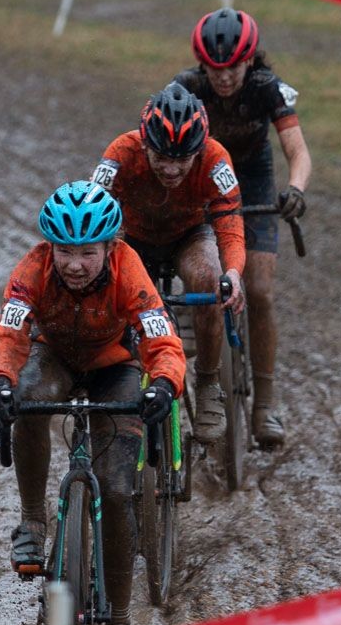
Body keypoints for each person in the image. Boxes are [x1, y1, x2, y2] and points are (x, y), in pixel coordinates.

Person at [0, 180, 186, 625]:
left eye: (87, 253)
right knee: (27, 399)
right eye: (65, 251)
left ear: (110, 247)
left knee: (115, 490)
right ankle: (34, 520)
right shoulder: (33, 268)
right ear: (50, 247)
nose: (74, 265)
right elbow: (8, 333)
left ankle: (117, 619)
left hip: (114, 367)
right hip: (53, 357)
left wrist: (162, 385)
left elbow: (162, 340)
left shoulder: (129, 271)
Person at [173, 8, 312, 449]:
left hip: (251, 176)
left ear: (249, 60)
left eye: (232, 66)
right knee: (195, 253)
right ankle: (195, 315)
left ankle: (264, 405)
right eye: (215, 68)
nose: (224, 77)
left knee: (260, 290)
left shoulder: (267, 89)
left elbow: (298, 151)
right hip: (202, 175)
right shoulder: (187, 88)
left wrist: (294, 189)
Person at [90, 81, 245, 446]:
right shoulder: (121, 151)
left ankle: (207, 382)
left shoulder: (215, 158)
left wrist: (234, 273)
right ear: (145, 143)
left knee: (209, 277)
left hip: (188, 235)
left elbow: (231, 225)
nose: (172, 169)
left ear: (199, 150)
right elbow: (94, 209)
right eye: (162, 158)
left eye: (182, 159)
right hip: (132, 235)